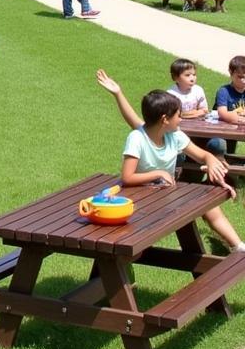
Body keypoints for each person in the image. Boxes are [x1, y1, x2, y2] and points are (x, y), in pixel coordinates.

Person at [95, 72, 245, 252]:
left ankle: (239, 247)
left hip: (165, 193)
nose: (181, 119)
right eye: (178, 115)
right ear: (165, 119)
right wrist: (158, 173)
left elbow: (202, 155)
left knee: (206, 204)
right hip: (138, 198)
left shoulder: (174, 136)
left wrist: (212, 161)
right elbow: (127, 177)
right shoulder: (138, 138)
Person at [212, 55, 245, 159]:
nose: (243, 80)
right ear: (231, 73)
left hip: (239, 129)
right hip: (222, 131)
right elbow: (222, 113)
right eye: (240, 77)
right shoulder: (224, 91)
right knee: (222, 149)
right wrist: (239, 118)